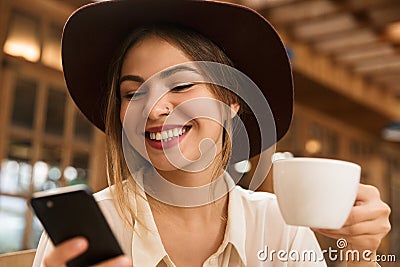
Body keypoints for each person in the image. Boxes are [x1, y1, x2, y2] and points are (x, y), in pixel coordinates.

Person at [32, 0, 391, 266]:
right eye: (133, 92)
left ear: (231, 100)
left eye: (182, 85)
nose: (154, 109)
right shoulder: (87, 231)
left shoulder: (279, 225)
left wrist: (362, 254)